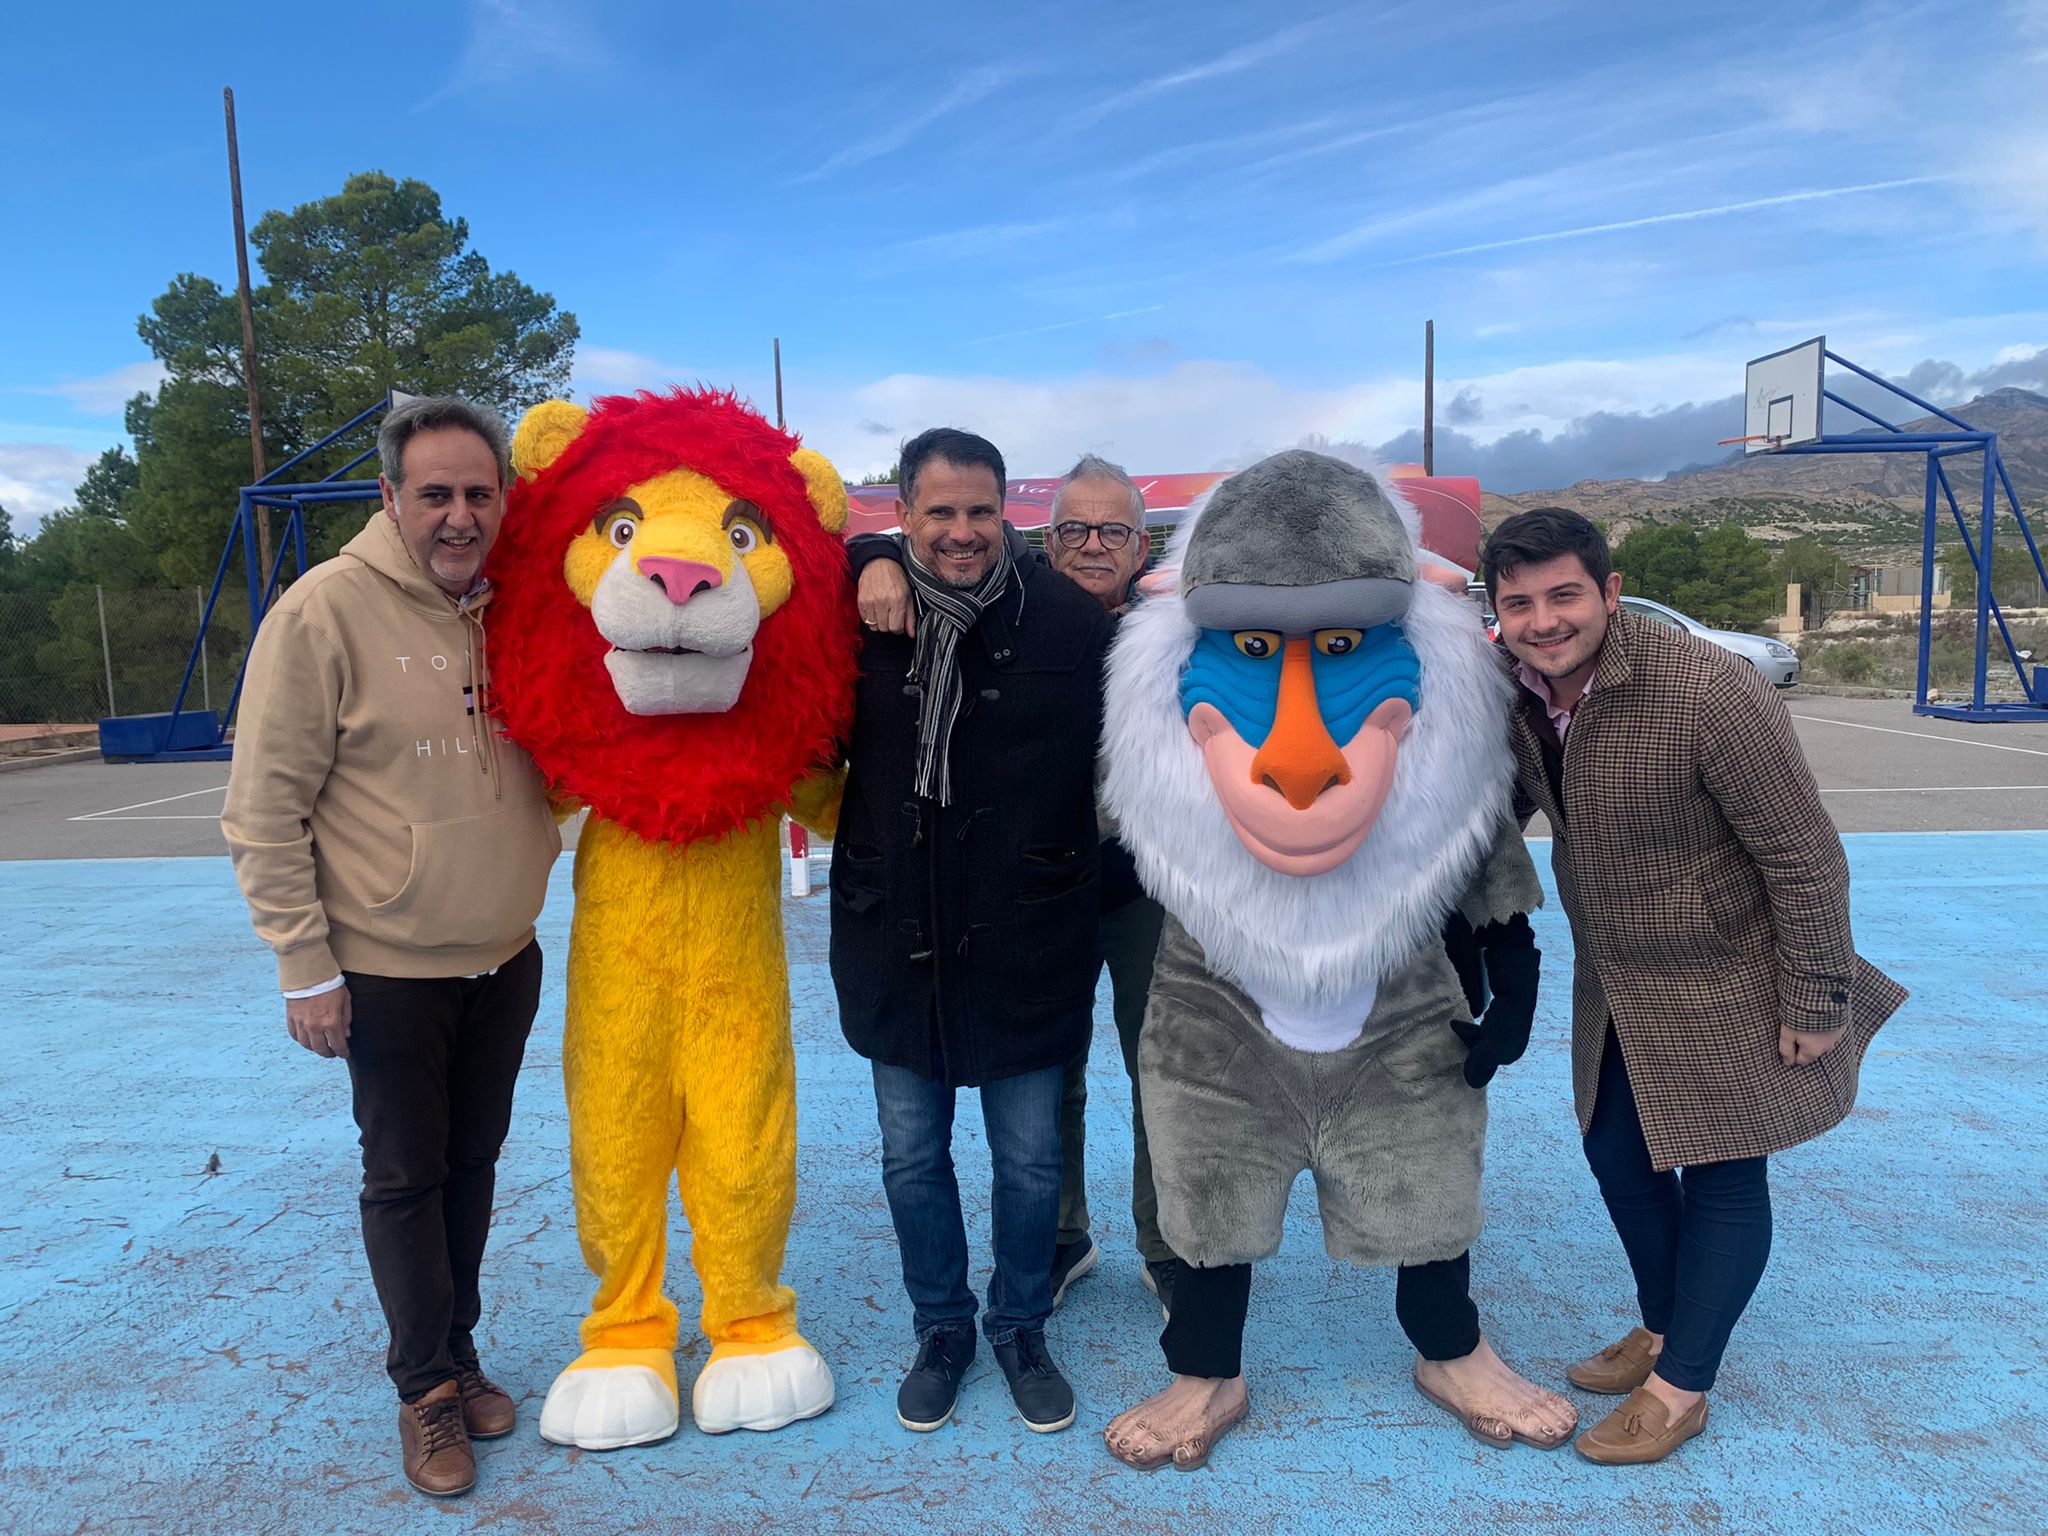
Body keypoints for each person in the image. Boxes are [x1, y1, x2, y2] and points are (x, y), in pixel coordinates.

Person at [1095, 448, 1577, 1471]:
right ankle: (1205, 1370)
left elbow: (1481, 846)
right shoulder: (1151, 748)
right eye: (1252, 645)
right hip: (1217, 1010)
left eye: (1348, 643)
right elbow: (1098, 841)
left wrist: (1513, 965)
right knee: (1206, 1189)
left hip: (1398, 1010)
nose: (1303, 763)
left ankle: (1451, 1350)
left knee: (1429, 1181)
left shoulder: (1447, 740)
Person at [1483, 506, 1907, 1465]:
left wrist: (1817, 997)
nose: (1544, 621)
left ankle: (1682, 1386)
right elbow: (1497, 808)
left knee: (1723, 1172)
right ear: (1497, 612)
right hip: (1616, 978)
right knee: (1617, 1155)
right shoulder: (1512, 694)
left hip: (1730, 974)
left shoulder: (1708, 688)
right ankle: (1665, 1324)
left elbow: (1804, 856)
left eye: (1564, 595)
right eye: (1520, 604)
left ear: (1610, 592)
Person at [222, 396, 563, 1497]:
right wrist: (304, 967)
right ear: (389, 497)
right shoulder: (322, 612)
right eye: (436, 494)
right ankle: (424, 1389)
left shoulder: (521, 608)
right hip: (386, 967)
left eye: (479, 493)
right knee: (407, 1177)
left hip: (504, 955)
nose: (461, 515)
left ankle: (459, 1350)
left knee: (474, 1164)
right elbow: (262, 809)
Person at [830, 428, 1112, 1436]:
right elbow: (776, 575)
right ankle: (942, 1327)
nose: (962, 531)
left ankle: (1020, 1324)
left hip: (1026, 936)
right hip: (895, 931)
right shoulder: (857, 614)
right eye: (939, 512)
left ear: (1006, 513)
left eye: (980, 511)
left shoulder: (1069, 619)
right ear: (903, 513)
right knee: (912, 1156)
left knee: (1029, 1160)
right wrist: (862, 560)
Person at [854, 454, 1179, 1314]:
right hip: (1036, 886)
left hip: (1145, 881)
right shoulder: (1010, 609)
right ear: (1044, 536)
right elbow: (896, 553)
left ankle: (1169, 1242)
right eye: (1074, 528)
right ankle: (1062, 1236)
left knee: (1164, 1066)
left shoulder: (1174, 628)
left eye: (1113, 531)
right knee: (1047, 1071)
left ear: (1141, 546)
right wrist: (873, 554)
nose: (1093, 545)